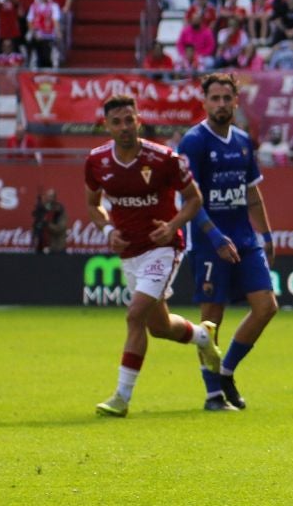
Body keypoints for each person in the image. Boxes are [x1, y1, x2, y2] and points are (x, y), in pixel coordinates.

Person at [84, 95, 222, 417]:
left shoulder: (164, 159)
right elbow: (94, 204)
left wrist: (172, 224)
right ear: (107, 125)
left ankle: (121, 397)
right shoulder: (96, 161)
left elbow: (194, 199)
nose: (124, 127)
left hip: (163, 247)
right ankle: (203, 336)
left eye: (129, 120)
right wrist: (107, 232)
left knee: (134, 316)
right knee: (158, 326)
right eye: (116, 122)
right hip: (129, 251)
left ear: (139, 121)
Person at [177, 74, 279, 412]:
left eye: (227, 98)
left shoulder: (243, 141)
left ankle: (226, 371)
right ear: (204, 101)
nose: (221, 104)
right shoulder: (194, 141)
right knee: (211, 319)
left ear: (236, 101)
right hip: (208, 241)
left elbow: (251, 192)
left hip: (245, 239)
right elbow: (191, 200)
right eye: (215, 98)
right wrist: (215, 237)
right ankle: (212, 395)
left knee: (266, 307)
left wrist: (266, 235)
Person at [32, 188, 66, 253]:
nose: (49, 198)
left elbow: (61, 228)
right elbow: (36, 226)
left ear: (55, 197)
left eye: (51, 196)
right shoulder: (42, 209)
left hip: (56, 246)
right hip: (41, 246)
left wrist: (47, 224)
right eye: (47, 196)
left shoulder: (59, 210)